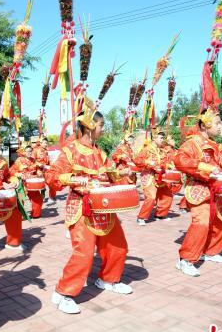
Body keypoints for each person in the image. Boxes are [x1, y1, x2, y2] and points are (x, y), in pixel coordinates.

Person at [46, 97, 133, 315]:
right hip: (82, 208)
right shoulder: (70, 150)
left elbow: (109, 173)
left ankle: (108, 279)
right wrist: (74, 179)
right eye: (101, 125)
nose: (103, 129)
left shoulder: (99, 152)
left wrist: (122, 175)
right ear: (89, 126)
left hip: (103, 206)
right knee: (84, 253)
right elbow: (52, 176)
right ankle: (63, 293)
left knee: (118, 245)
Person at [174, 108, 222, 277]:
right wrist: (205, 167)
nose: (220, 126)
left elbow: (218, 165)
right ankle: (185, 260)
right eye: (217, 123)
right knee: (201, 223)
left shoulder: (214, 143)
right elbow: (180, 160)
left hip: (214, 187)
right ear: (205, 125)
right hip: (199, 187)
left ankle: (210, 251)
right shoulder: (192, 143)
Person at [134, 130, 175, 224]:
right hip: (149, 175)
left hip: (160, 175)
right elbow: (137, 160)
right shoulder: (147, 149)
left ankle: (160, 215)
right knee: (151, 197)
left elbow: (164, 162)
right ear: (155, 138)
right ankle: (141, 217)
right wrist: (148, 162)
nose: (162, 140)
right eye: (161, 138)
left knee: (167, 194)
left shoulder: (161, 150)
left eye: (163, 138)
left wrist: (169, 166)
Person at [11, 142, 44, 218]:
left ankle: (36, 214)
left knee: (38, 199)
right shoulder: (19, 160)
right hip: (22, 184)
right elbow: (12, 171)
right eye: (27, 151)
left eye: (30, 151)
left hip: (32, 184)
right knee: (20, 201)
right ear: (23, 151)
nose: (29, 152)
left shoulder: (33, 160)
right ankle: (18, 216)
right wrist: (19, 174)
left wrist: (39, 172)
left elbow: (38, 169)